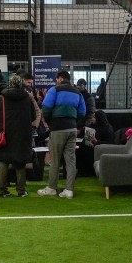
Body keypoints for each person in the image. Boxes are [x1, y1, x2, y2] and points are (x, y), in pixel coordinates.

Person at [38, 70, 85, 199]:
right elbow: (82, 112)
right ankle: (69, 190)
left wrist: (50, 122)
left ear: (59, 78)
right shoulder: (77, 92)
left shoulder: (54, 90)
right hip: (72, 129)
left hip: (57, 129)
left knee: (55, 160)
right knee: (70, 160)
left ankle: (52, 188)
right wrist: (75, 123)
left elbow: (46, 108)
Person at [0, 75, 36, 198]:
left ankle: (2, 190)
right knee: (20, 162)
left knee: (3, 161)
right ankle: (21, 190)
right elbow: (33, 117)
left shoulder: (1, 99)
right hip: (23, 135)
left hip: (5, 135)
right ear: (21, 84)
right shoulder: (27, 98)